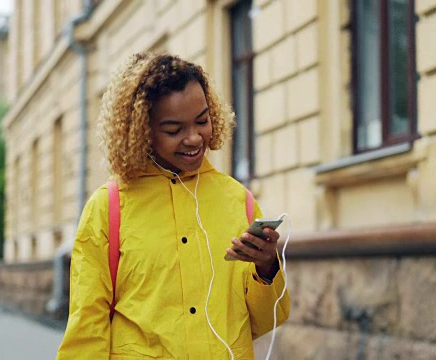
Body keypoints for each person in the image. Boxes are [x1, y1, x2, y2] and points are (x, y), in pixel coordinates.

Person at [56, 52, 290, 359]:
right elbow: (87, 327)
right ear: (142, 131)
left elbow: (265, 320)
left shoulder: (238, 200)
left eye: (202, 121)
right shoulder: (108, 207)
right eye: (173, 130)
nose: (194, 138)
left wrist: (267, 267)